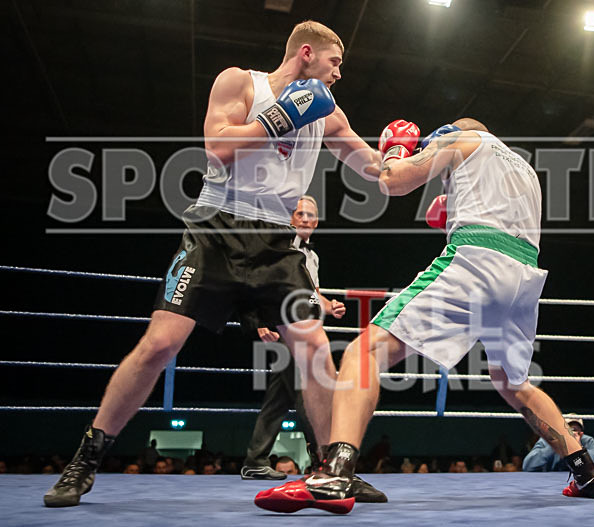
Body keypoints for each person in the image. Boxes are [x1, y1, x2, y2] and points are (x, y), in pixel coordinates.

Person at [44, 19, 382, 508]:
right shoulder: (240, 82)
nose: (339, 73)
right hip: (216, 227)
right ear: (307, 53)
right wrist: (281, 117)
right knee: (160, 344)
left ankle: (334, 471)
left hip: (276, 240)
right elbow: (218, 148)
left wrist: (410, 156)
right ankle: (86, 458)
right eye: (335, 62)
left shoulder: (328, 114)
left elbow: (375, 169)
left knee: (313, 347)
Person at [254, 118, 594, 514]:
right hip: (524, 278)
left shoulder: (462, 139)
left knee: (363, 352)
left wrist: (396, 149)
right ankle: (587, 473)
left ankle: (334, 475)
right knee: (513, 383)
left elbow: (393, 181)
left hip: (476, 261)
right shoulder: (524, 169)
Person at [240, 196, 346, 480]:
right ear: (290, 217)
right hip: (283, 327)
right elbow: (251, 283)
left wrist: (330, 306)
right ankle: (324, 458)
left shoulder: (312, 256)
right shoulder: (276, 245)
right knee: (306, 390)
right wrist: (258, 322)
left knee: (280, 396)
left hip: (306, 330)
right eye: (300, 214)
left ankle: (255, 460)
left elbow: (313, 294)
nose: (306, 219)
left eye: (311, 215)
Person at [522, 417, 594, 473]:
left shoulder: (586, 440)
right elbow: (528, 466)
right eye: (568, 429)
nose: (571, 433)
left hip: (577, 481)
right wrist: (556, 444)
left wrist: (579, 449)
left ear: (581, 433)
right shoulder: (548, 439)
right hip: (550, 483)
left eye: (575, 430)